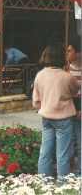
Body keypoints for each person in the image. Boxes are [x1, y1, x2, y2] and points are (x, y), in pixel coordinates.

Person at [33, 43, 80, 177]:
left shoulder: (39, 75)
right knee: (63, 154)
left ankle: (43, 183)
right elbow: (76, 90)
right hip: (64, 119)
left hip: (46, 118)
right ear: (61, 57)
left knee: (45, 152)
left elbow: (36, 102)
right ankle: (63, 186)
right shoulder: (66, 76)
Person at [66, 41, 81, 177]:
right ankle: (68, 170)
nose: (67, 53)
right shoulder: (66, 70)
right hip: (68, 110)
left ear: (78, 53)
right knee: (67, 143)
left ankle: (80, 172)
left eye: (69, 51)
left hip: (80, 110)